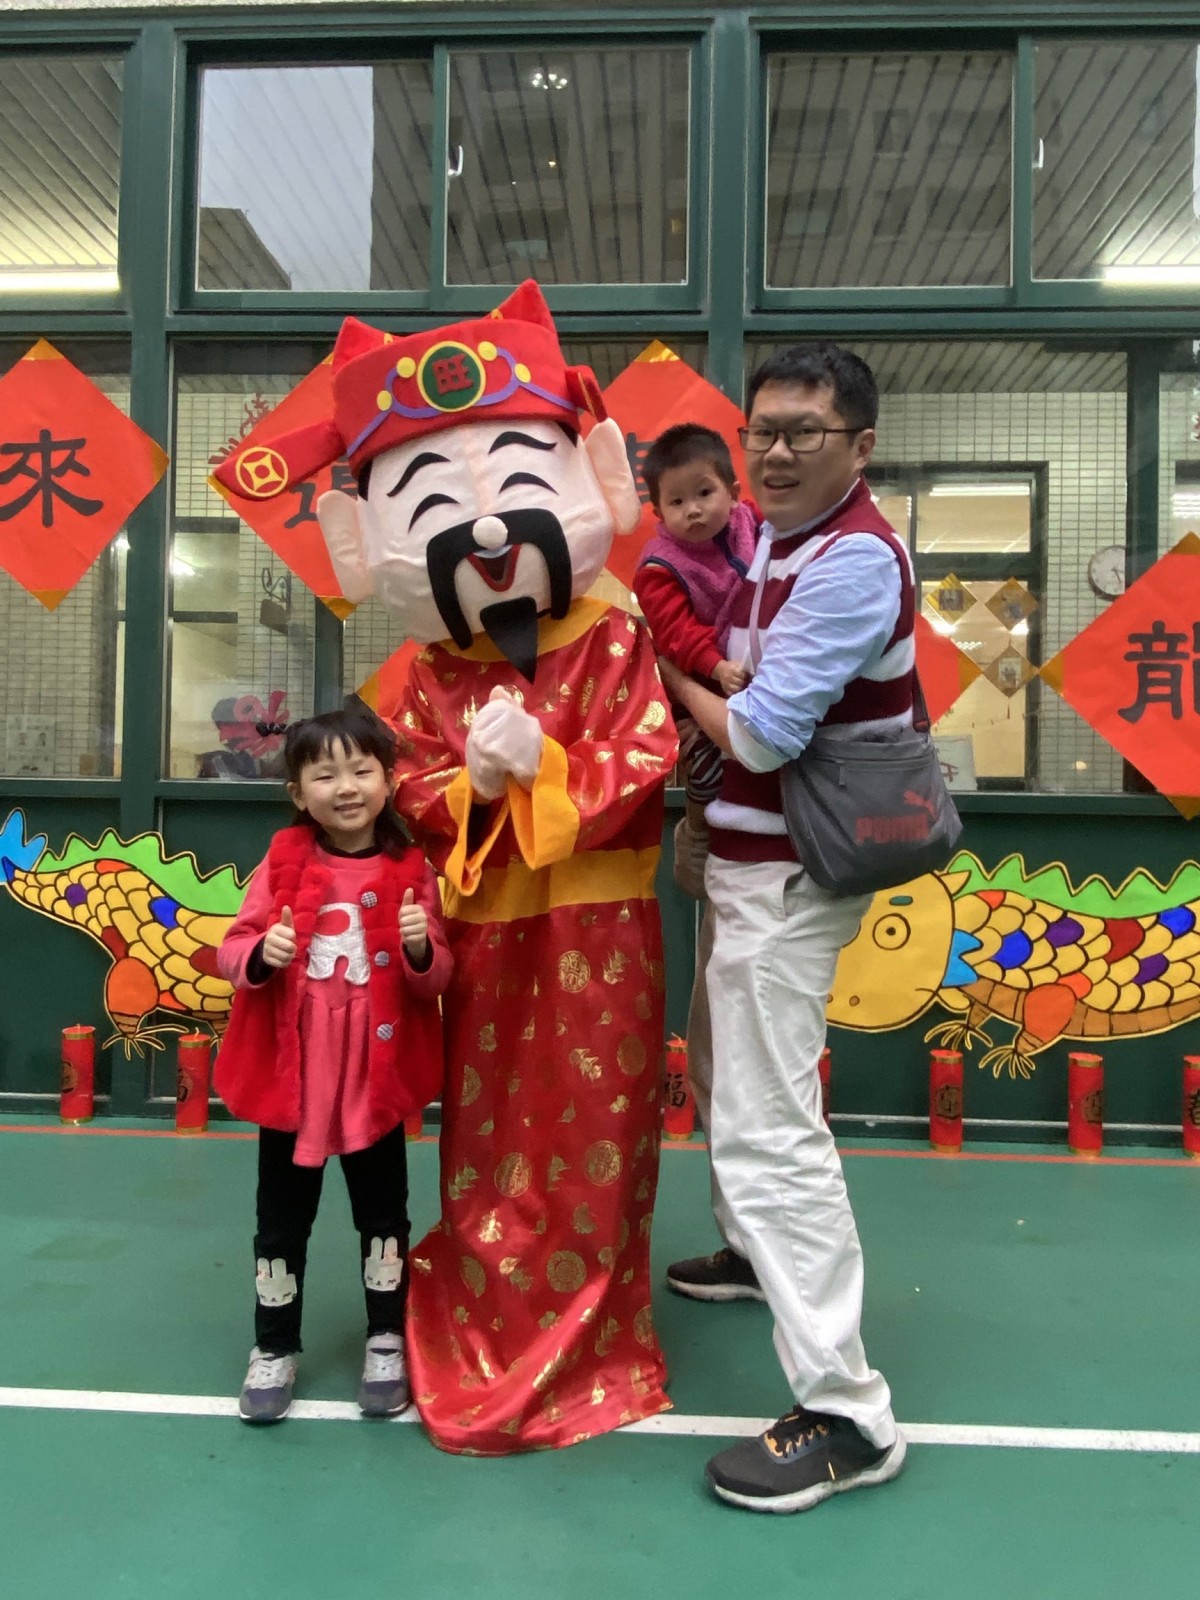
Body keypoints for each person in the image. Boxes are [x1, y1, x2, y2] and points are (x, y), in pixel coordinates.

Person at [212, 281, 678, 1455]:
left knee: (599, 1131)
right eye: (434, 504)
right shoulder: (424, 672)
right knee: (484, 1133)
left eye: (517, 485)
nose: (488, 533)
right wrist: (469, 783)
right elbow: (405, 791)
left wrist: (547, 763)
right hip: (477, 939)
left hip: (597, 938)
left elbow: (647, 756)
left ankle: (588, 1326)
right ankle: (480, 1297)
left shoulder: (617, 630)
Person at [657, 342, 910, 1513]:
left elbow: (761, 733)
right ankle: (756, 1256)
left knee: (772, 1133)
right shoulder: (776, 542)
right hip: (746, 865)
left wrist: (674, 673)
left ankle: (848, 1413)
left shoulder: (851, 560)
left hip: (791, 876)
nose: (775, 450)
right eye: (761, 428)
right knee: (729, 1081)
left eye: (805, 430)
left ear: (861, 445)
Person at [216, 703, 452, 1425]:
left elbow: (438, 976)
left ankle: (387, 1338)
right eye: (325, 775)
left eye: (361, 770)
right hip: (297, 1082)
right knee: (280, 1224)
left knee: (383, 1216)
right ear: (298, 792)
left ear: (389, 781)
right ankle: (274, 1345)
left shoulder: (413, 869)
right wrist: (262, 954)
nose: (346, 787)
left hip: (373, 1082)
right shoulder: (282, 862)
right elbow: (233, 948)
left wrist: (420, 947)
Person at [632, 424, 757, 836]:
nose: (693, 510)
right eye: (677, 501)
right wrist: (716, 666)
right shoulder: (659, 568)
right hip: (702, 681)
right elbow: (677, 633)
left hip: (750, 680)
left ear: (733, 493)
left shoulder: (752, 524)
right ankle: (699, 833)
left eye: (704, 493)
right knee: (705, 769)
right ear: (658, 513)